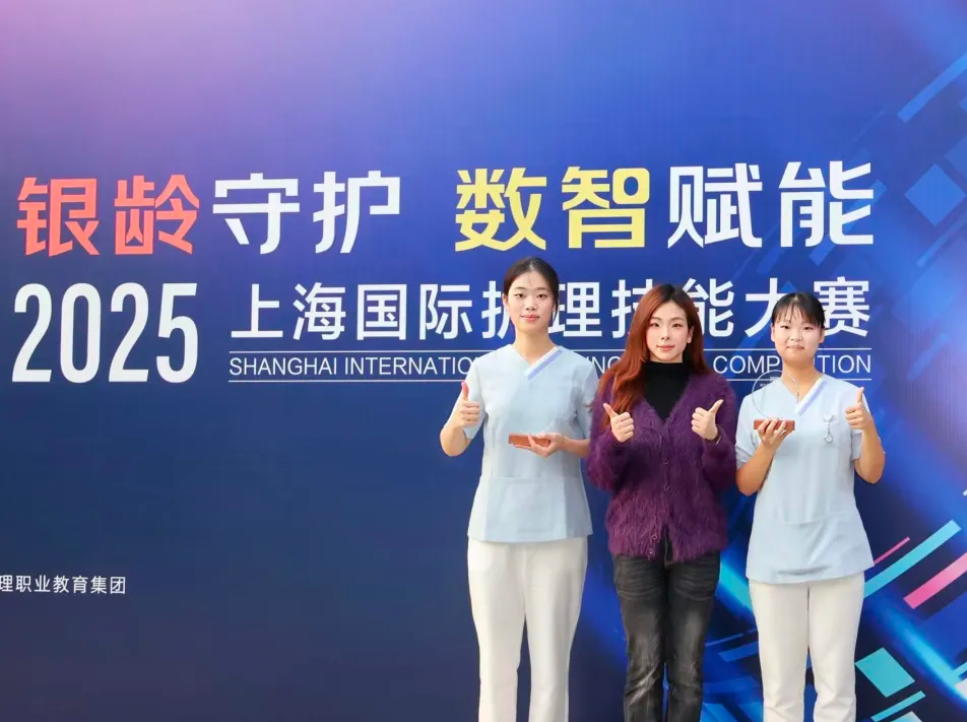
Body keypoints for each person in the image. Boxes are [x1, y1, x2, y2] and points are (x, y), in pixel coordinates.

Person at [439, 256, 599, 722]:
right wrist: (457, 421)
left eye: (541, 296)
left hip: (559, 530)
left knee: (551, 668)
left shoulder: (579, 370)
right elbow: (453, 445)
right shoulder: (485, 369)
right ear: (505, 303)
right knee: (495, 665)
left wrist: (566, 443)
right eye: (521, 295)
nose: (531, 304)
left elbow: (603, 448)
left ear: (555, 304)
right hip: (493, 532)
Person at [585, 284, 738, 722]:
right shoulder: (617, 386)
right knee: (644, 669)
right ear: (642, 330)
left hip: (697, 547)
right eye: (655, 325)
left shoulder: (714, 389)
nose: (665, 334)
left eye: (676, 325)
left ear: (691, 333)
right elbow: (600, 475)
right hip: (635, 547)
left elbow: (724, 478)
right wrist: (614, 442)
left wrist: (713, 439)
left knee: (688, 672)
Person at [735, 291, 885, 722]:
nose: (795, 336)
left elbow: (872, 473)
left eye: (806, 327)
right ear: (772, 334)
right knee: (779, 690)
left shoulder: (847, 397)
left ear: (821, 334)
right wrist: (767, 447)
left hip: (836, 559)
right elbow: (745, 484)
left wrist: (867, 428)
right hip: (774, 563)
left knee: (835, 686)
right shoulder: (756, 403)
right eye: (785, 326)